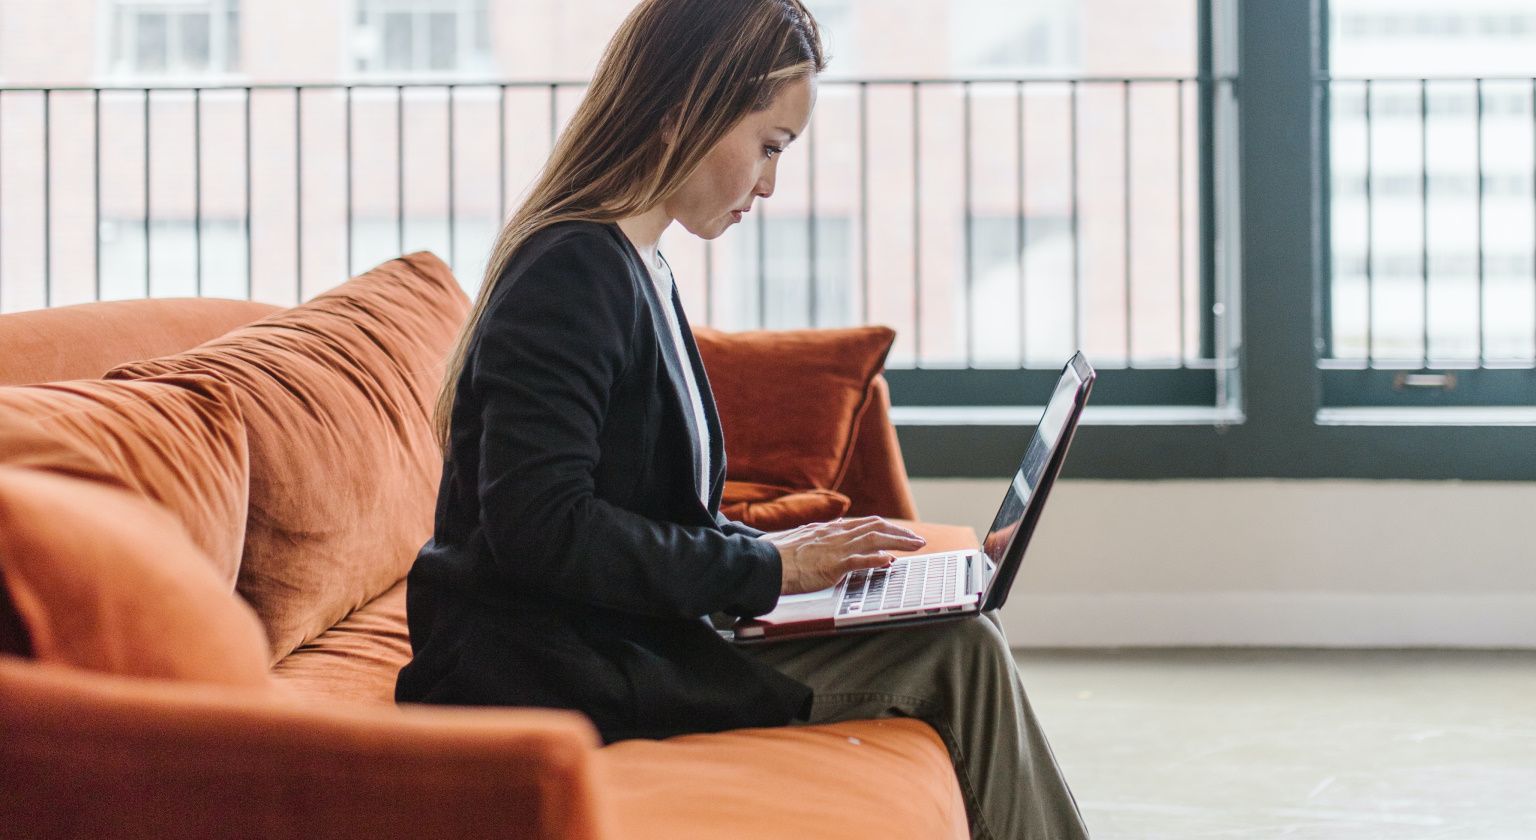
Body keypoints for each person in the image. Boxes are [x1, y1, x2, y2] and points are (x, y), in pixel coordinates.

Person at [395, 1, 1088, 837]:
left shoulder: (636, 262)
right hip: (553, 667)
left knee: (959, 630)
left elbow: (636, 507)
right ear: (688, 109)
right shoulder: (572, 274)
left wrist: (766, 555)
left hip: (613, 635)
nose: (769, 184)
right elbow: (542, 529)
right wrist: (765, 575)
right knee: (963, 653)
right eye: (769, 147)